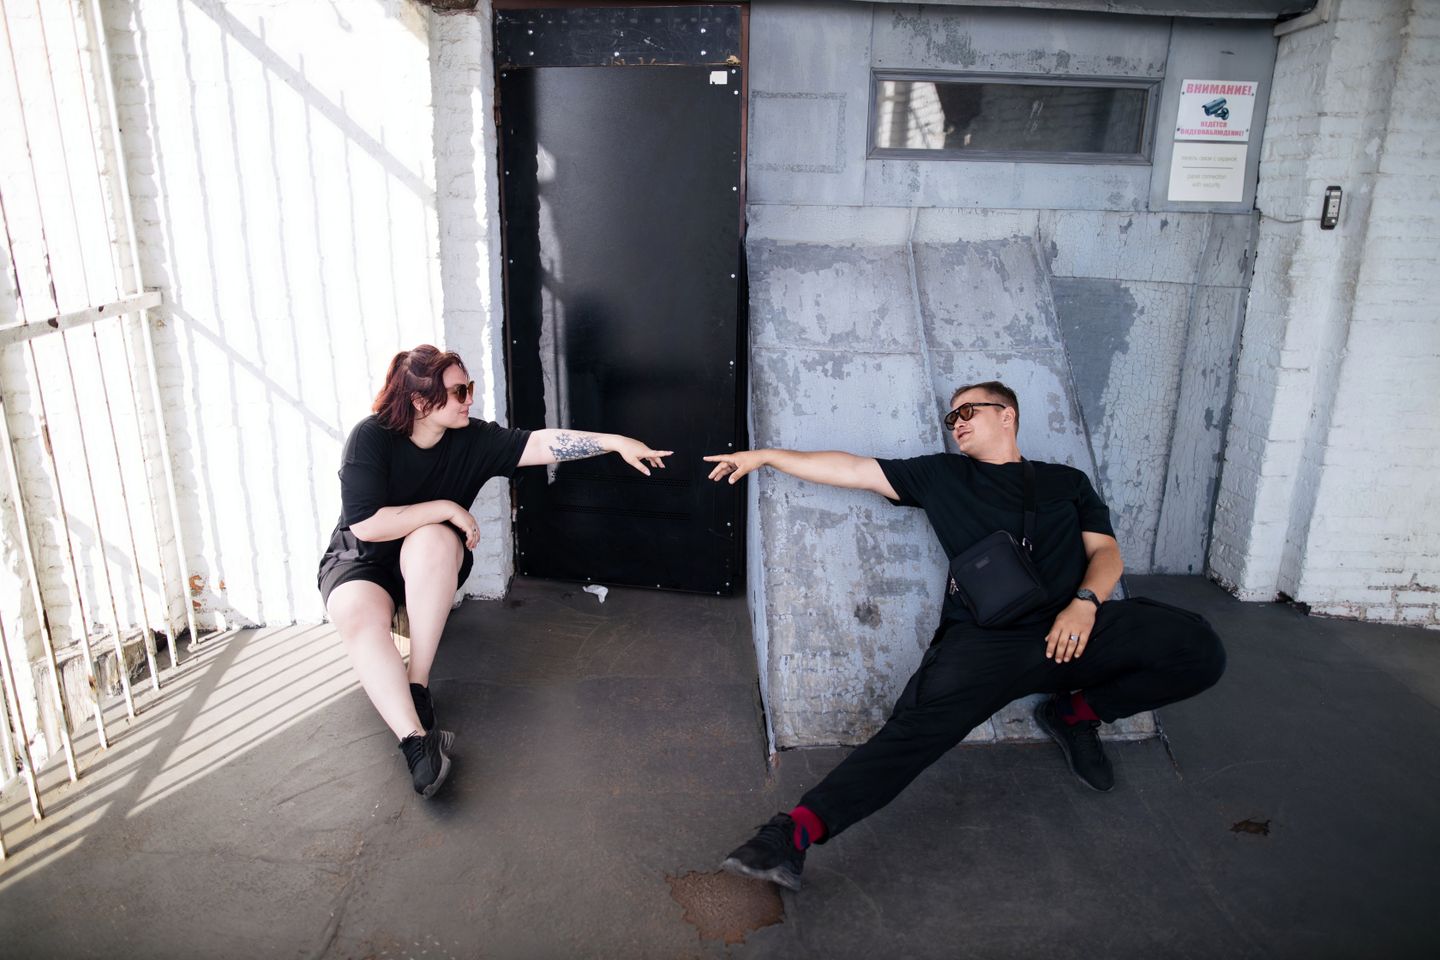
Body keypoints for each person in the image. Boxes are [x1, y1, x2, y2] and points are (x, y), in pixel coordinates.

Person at [703, 380, 1225, 890]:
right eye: (951, 417)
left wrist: (1085, 605)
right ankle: (791, 834)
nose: (956, 424)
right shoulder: (942, 476)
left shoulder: (1066, 481)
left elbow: (1106, 553)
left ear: (1007, 415)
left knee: (1197, 648)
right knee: (914, 732)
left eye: (967, 412)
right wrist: (766, 456)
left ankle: (1075, 714)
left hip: (1076, 627)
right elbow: (853, 469)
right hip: (987, 641)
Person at [318, 345, 671, 798]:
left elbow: (539, 443)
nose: (470, 398)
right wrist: (447, 507)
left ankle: (417, 685)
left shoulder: (472, 439)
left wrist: (614, 442)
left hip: (429, 561)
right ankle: (416, 742)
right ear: (421, 402)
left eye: (469, 387)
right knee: (356, 615)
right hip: (361, 558)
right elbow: (366, 523)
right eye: (458, 391)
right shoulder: (372, 437)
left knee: (432, 537)